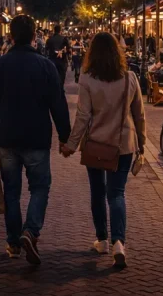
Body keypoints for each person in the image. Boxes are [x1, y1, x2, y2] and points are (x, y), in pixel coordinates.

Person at [0, 15, 71, 265]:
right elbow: (58, 104)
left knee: (11, 191)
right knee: (40, 187)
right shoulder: (46, 66)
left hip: (6, 137)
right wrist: (65, 136)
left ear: (10, 36)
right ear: (33, 37)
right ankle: (30, 231)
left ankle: (13, 242)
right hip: (37, 137)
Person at [60, 32, 144, 268]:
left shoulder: (87, 79)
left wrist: (70, 145)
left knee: (97, 193)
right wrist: (143, 143)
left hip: (96, 144)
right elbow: (139, 114)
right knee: (116, 193)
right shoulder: (130, 78)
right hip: (123, 144)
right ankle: (119, 242)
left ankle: (102, 239)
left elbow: (83, 116)